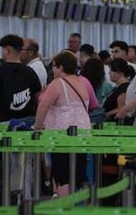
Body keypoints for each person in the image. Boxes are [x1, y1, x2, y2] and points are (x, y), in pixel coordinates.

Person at [34, 52, 92, 198]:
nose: (52, 70)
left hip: (62, 135)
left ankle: (64, 207)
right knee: (78, 172)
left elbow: (43, 107)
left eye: (53, 66)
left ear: (60, 67)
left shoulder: (58, 83)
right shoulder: (81, 82)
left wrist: (37, 126)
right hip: (83, 133)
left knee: (62, 174)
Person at [0, 34, 41, 124]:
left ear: (7, 51)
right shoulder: (30, 72)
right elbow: (39, 98)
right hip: (25, 123)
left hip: (0, 123)